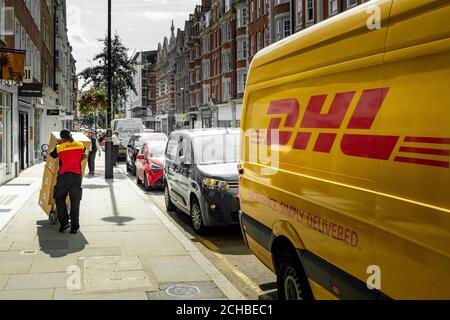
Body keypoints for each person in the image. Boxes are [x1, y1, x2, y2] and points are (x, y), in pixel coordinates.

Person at [50, 129, 87, 234]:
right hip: (76, 177)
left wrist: (58, 144)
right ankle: (74, 227)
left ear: (62, 138)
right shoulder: (80, 145)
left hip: (64, 177)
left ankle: (65, 223)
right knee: (75, 201)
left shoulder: (59, 147)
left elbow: (51, 155)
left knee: (59, 198)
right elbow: (85, 155)